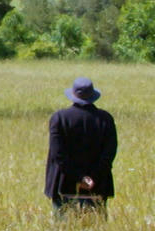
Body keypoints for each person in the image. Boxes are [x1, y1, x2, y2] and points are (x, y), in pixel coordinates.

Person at [45, 76, 117, 213]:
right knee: (95, 230)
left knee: (65, 230)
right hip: (97, 185)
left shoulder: (59, 118)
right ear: (93, 96)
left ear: (73, 95)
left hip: (64, 184)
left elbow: (58, 154)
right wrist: (92, 177)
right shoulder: (105, 119)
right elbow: (109, 154)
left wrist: (79, 178)